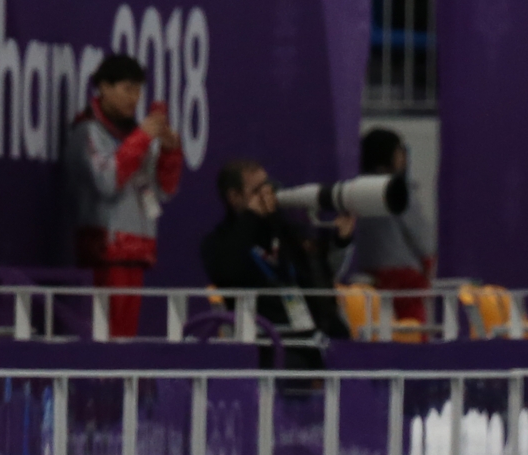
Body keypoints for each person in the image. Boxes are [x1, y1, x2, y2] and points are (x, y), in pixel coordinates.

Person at [66, 54, 183, 338]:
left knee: (125, 341)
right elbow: (107, 181)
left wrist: (170, 152)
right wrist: (142, 139)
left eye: (138, 90)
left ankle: (120, 383)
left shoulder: (133, 134)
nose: (135, 97)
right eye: (127, 88)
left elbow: (164, 191)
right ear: (103, 87)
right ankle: (100, 384)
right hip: (104, 249)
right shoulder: (87, 131)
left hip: (137, 248)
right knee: (103, 339)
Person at [201, 159, 354, 355]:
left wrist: (341, 241)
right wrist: (251, 216)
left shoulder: (283, 229)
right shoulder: (217, 242)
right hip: (265, 338)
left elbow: (318, 276)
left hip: (310, 330)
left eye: (268, 186)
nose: (268, 194)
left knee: (346, 345)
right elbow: (230, 272)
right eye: (258, 190)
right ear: (235, 197)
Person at [350, 128, 434, 324]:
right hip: (404, 276)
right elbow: (421, 236)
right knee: (412, 329)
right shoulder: (397, 189)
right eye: (399, 151)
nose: (403, 157)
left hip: (367, 275)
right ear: (388, 154)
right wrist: (428, 261)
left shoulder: (355, 188)